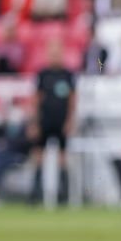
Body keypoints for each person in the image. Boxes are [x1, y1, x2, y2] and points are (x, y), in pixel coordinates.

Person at [29, 39, 76, 204]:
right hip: (44, 120)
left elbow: (72, 99)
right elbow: (36, 99)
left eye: (57, 53)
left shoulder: (68, 75)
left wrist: (70, 120)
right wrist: (34, 122)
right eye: (52, 53)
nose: (55, 56)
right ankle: (36, 193)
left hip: (61, 121)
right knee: (39, 155)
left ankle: (63, 195)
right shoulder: (43, 74)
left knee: (62, 157)